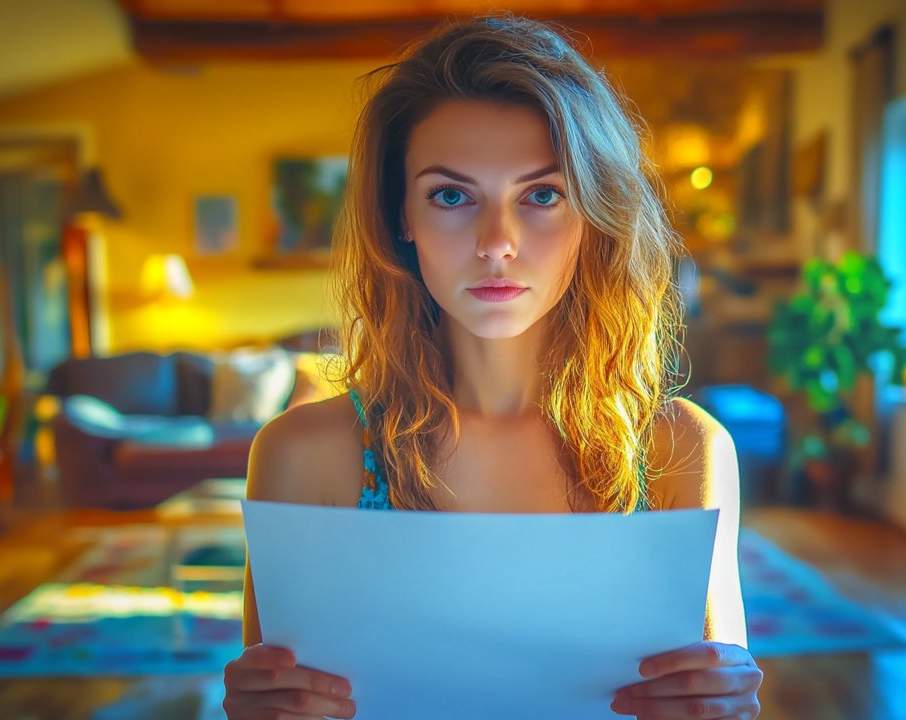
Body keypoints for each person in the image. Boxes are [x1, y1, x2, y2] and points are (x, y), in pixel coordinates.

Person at [223, 14, 763, 720]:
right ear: (401, 216)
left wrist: (727, 705)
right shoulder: (303, 457)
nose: (497, 243)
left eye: (542, 194)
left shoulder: (681, 451)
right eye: (452, 195)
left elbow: (717, 701)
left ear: (593, 215)